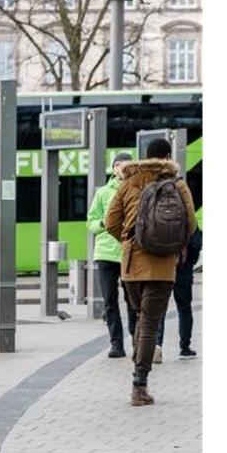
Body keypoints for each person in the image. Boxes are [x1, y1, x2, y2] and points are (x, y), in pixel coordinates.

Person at [105, 138, 196, 407]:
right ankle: (139, 385)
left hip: (131, 264)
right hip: (163, 265)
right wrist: (172, 246)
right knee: (149, 324)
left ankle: (138, 373)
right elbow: (190, 224)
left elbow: (111, 221)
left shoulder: (128, 182)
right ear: (167, 157)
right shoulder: (177, 184)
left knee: (139, 318)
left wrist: (127, 241)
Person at [86, 152, 137, 358]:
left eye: (125, 165)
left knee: (132, 300)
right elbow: (90, 222)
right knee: (110, 301)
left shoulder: (137, 189)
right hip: (106, 253)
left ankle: (136, 339)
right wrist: (102, 224)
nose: (121, 169)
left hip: (130, 253)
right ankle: (116, 344)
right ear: (113, 168)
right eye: (118, 165)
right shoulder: (103, 193)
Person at [154, 227, 202, 359]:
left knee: (159, 308)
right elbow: (196, 240)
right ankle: (185, 348)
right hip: (183, 265)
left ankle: (157, 345)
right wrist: (190, 261)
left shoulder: (157, 206)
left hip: (161, 265)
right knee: (184, 308)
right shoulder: (187, 207)